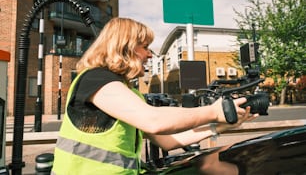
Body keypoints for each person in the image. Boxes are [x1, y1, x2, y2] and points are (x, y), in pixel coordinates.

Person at [51, 17, 257, 175]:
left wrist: (219, 127)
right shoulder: (95, 78)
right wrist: (213, 111)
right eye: (145, 47)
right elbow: (154, 121)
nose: (150, 54)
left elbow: (168, 141)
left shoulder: (129, 94)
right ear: (124, 48)